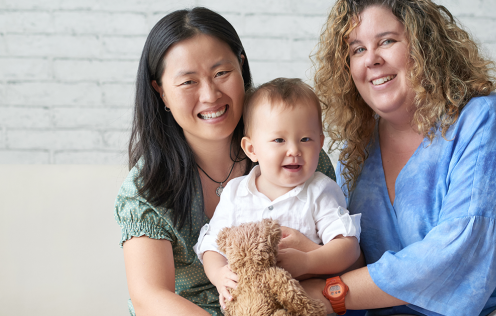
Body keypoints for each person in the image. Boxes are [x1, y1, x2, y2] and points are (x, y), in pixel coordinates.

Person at [295, 1, 496, 316]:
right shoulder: (357, 149)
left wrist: (332, 292)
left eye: (387, 41)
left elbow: (459, 253)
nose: (372, 59)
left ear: (425, 46)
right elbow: (352, 252)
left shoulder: (489, 121)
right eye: (357, 49)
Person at [114, 8, 337, 316]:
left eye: (221, 73)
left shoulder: (295, 154)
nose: (210, 95)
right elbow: (149, 296)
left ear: (241, 65)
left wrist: (311, 260)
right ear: (161, 92)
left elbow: (346, 259)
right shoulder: (146, 187)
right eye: (188, 81)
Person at [194, 78, 361, 308]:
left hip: (302, 303)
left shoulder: (320, 191)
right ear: (252, 149)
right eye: (279, 140)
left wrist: (307, 261)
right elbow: (211, 244)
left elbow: (348, 247)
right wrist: (218, 275)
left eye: (305, 139)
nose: (294, 150)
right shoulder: (235, 193)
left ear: (320, 143)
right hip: (251, 304)